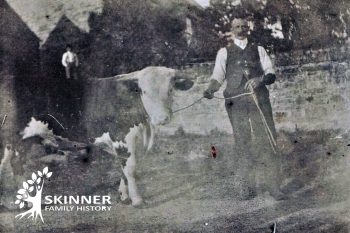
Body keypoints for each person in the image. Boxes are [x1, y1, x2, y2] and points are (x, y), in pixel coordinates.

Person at [203, 16, 285, 200]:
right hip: (236, 101)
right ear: (232, 30)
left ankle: (273, 186)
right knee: (242, 141)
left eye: (243, 26)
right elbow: (218, 76)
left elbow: (270, 73)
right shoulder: (224, 52)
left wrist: (260, 79)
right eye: (236, 27)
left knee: (266, 138)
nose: (240, 29)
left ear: (248, 29)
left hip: (259, 100)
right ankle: (246, 187)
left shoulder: (259, 50)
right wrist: (210, 89)